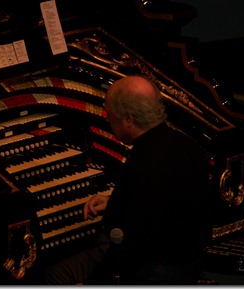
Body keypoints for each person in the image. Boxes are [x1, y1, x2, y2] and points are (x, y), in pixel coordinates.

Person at [44, 75, 212, 285]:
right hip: (188, 262)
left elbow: (133, 247)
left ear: (129, 119)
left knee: (51, 277)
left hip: (153, 272)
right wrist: (114, 201)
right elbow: (169, 204)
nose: (106, 118)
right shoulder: (185, 144)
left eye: (111, 113)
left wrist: (93, 283)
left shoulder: (147, 164)